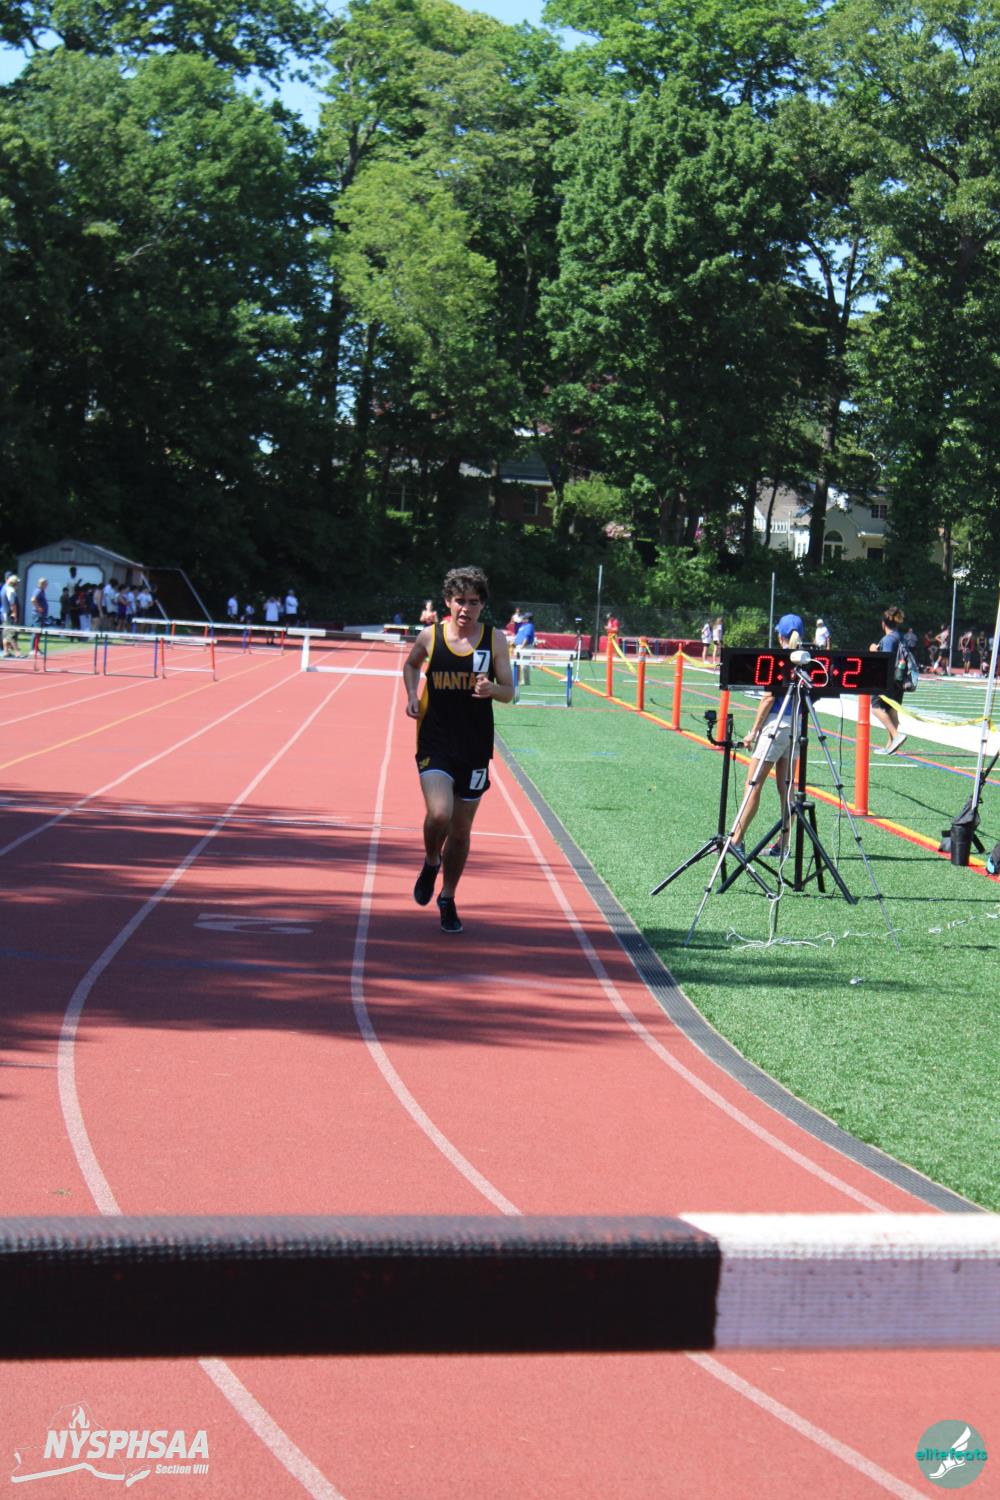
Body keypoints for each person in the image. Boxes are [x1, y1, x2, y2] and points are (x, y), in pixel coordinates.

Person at [403, 565, 514, 934]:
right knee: (439, 814)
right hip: (435, 740)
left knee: (462, 829)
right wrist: (411, 695)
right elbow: (411, 666)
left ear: (483, 605)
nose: (466, 608)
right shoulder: (431, 636)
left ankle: (448, 897)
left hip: (474, 745)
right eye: (460, 600)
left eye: (474, 602)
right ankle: (431, 860)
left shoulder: (494, 640)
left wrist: (492, 689)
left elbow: (509, 691)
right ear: (448, 602)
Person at [729, 614, 805, 859]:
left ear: (780, 635)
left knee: (753, 784)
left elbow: (768, 698)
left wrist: (753, 731)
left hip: (776, 724)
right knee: (786, 787)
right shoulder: (806, 660)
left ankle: (736, 840)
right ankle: (784, 844)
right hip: (796, 724)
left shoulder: (778, 660)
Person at [869, 605, 908, 755]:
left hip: (887, 679)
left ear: (883, 623)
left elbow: (885, 660)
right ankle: (890, 745)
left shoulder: (888, 639)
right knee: (892, 710)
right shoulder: (900, 637)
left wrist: (873, 652)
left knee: (876, 708)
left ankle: (896, 736)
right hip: (900, 679)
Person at [2, 573, 22, 657]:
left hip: (5, 614)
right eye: (17, 582)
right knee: (11, 633)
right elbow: (12, 604)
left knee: (6, 634)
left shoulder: (5, 589)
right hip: (10, 615)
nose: (18, 584)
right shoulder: (11, 591)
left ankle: (6, 651)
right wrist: (15, 615)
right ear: (14, 583)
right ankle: (17, 652)